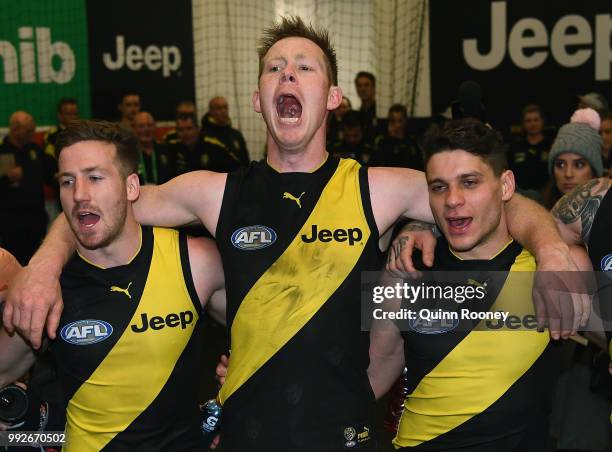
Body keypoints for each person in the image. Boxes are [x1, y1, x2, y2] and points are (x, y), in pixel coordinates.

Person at [5, 16, 585, 452]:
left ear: (332, 98)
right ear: (258, 99)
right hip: (244, 435)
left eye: (305, 67)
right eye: (275, 67)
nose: (288, 74)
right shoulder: (214, 192)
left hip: (345, 433)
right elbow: (97, 204)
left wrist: (552, 245)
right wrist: (41, 268)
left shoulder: (379, 188)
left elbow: (497, 201)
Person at [0, 120, 226, 451]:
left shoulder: (195, 262)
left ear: (131, 187)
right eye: (67, 181)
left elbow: (263, 331)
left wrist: (239, 391)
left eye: (95, 177)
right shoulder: (45, 288)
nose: (79, 194)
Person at [369, 119, 591, 450]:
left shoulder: (557, 268)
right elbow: (378, 367)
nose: (452, 200)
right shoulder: (404, 267)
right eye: (439, 187)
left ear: (505, 186)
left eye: (469, 183)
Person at [0, 111, 56, 264]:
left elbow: (50, 174)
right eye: (28, 130)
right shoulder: (2, 151)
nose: (33, 133)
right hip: (10, 224)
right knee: (12, 265)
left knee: (36, 264)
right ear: (15, 130)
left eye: (33, 129)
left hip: (36, 221)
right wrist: (6, 178)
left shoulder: (35, 149)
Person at [542, 108, 604, 209]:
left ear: (594, 170)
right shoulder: (540, 210)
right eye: (560, 165)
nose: (568, 174)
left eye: (579, 165)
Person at [507, 104, 554, 193]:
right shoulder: (515, 147)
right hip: (519, 193)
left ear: (542, 121)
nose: (532, 124)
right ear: (523, 124)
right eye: (528, 121)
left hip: (546, 195)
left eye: (536, 120)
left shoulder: (551, 145)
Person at [200, 96, 250, 172]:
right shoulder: (204, 136)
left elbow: (246, 162)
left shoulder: (236, 135)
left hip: (237, 181)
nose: (223, 111)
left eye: (225, 107)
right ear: (211, 111)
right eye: (219, 108)